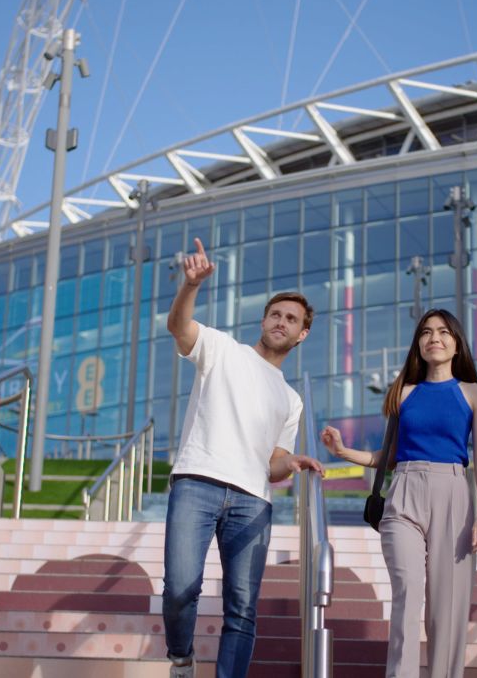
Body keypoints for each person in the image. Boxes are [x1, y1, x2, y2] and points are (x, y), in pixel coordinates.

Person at [162, 238, 325, 678]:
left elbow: (272, 465)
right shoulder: (221, 349)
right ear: (264, 319)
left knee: (242, 608)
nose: (281, 321)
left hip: (253, 499)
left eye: (291, 319)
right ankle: (181, 657)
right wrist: (189, 286)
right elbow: (179, 327)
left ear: (301, 333)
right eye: (275, 314)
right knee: (180, 588)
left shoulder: (291, 400)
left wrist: (290, 463)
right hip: (197, 481)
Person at [320, 308, 477, 678]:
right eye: (426, 332)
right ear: (418, 344)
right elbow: (392, 455)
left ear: (457, 344)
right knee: (408, 591)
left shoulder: (475, 393)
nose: (434, 337)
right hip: (404, 495)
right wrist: (343, 452)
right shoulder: (404, 391)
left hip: (453, 492)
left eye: (444, 332)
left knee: (446, 606)